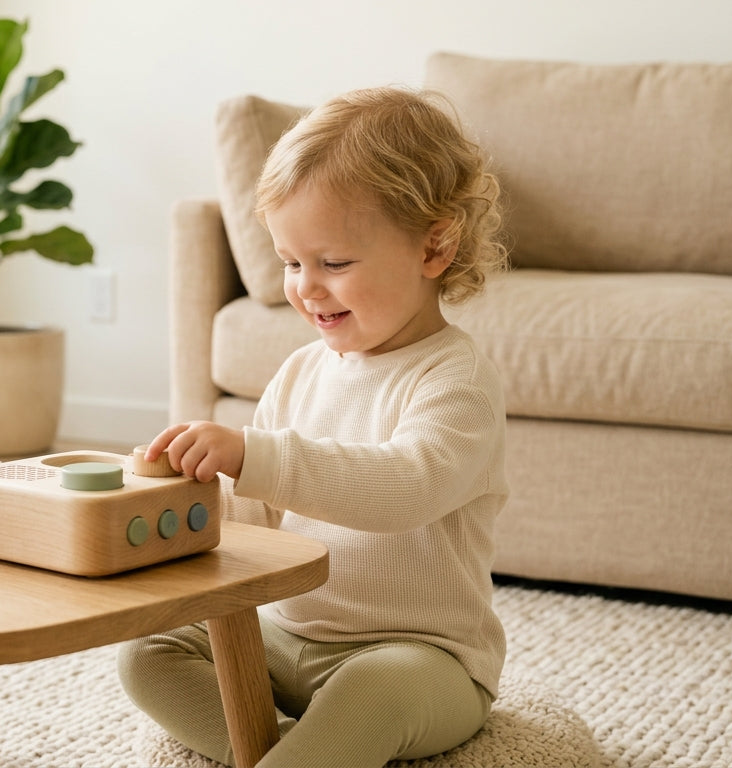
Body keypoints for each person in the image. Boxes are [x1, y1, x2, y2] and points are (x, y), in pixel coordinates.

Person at [117, 85, 510, 768]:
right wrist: (176, 497)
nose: (305, 287)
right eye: (291, 263)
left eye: (333, 263)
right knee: (148, 651)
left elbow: (402, 492)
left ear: (434, 246)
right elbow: (251, 516)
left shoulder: (456, 380)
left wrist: (252, 453)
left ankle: (311, 750)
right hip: (283, 634)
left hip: (417, 657)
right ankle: (293, 753)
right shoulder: (303, 370)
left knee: (370, 694)